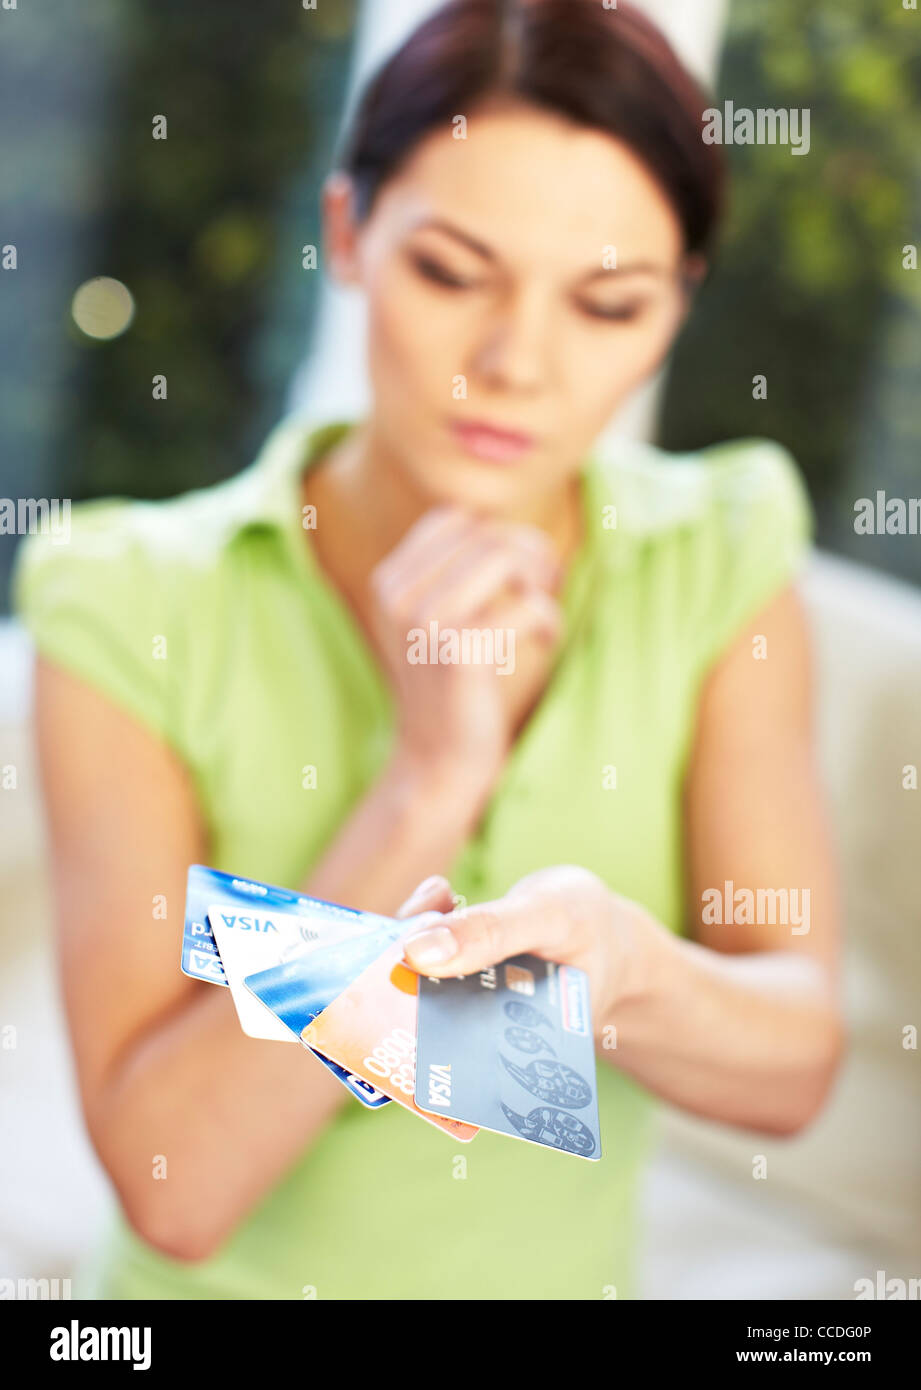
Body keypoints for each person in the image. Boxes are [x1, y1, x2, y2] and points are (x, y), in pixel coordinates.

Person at [15, 0, 844, 1300]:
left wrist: (626, 972)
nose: (514, 363)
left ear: (678, 303)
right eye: (453, 273)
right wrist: (427, 780)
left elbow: (793, 1064)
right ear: (346, 233)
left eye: (607, 303)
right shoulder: (126, 598)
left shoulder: (718, 549)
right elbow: (174, 1184)